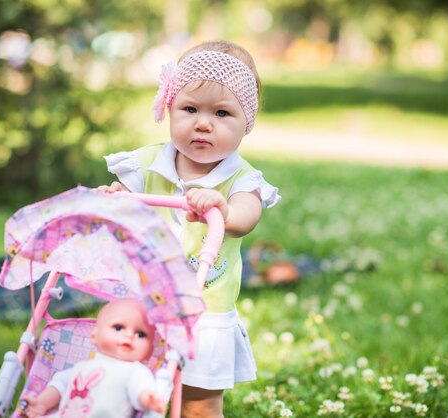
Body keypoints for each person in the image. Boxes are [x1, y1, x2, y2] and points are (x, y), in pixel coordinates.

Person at [98, 39, 280, 417]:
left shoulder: (242, 180)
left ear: (247, 124)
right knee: (127, 388)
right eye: (190, 108)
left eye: (223, 113)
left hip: (204, 311)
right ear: (169, 107)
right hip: (142, 304)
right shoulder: (147, 163)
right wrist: (115, 198)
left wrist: (222, 208)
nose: (203, 122)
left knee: (198, 403)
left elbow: (245, 217)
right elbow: (124, 208)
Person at [21, 298, 166, 418]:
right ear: (94, 336)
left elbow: (139, 390)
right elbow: (60, 385)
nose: (129, 335)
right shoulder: (82, 366)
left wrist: (147, 400)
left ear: (149, 351)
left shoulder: (135, 370)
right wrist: (41, 403)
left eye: (140, 334)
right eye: (118, 328)